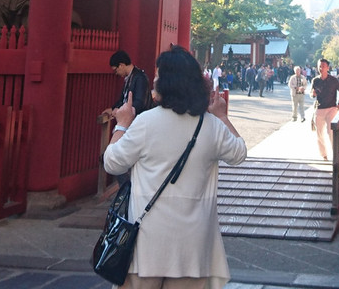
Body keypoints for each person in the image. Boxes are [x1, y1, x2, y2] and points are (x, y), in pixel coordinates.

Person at [103, 46, 246, 289]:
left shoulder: (146, 122)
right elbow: (239, 153)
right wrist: (222, 116)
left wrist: (122, 124)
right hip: (193, 245)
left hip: (147, 242)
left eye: (159, 75)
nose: (155, 79)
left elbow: (112, 161)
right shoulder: (210, 125)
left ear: (168, 83)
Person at [311, 58, 339, 161]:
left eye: (323, 66)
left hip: (331, 108)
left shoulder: (333, 80)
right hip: (319, 108)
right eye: (320, 66)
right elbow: (312, 93)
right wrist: (312, 94)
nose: (321, 68)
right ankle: (324, 154)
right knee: (319, 133)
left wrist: (338, 104)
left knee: (331, 131)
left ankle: (335, 153)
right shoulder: (315, 80)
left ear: (328, 67)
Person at [106, 50, 152, 118]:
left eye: (116, 70)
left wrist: (120, 110)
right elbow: (123, 99)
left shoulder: (140, 78)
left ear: (121, 65)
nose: (116, 73)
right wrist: (113, 108)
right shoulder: (131, 77)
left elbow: (140, 102)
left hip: (138, 119)